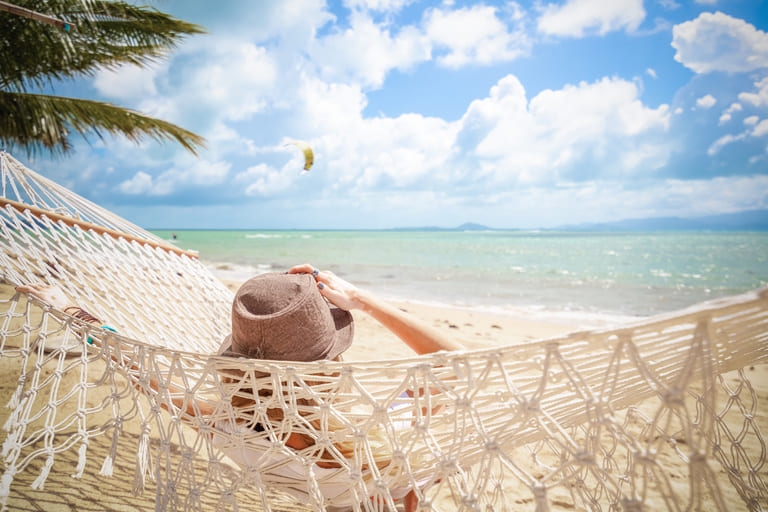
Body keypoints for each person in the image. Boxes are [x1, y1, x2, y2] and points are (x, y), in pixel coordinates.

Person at [16, 264, 464, 511]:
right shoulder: (382, 429)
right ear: (331, 366)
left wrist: (75, 314)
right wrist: (363, 300)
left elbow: (142, 370)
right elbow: (456, 363)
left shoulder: (231, 429)